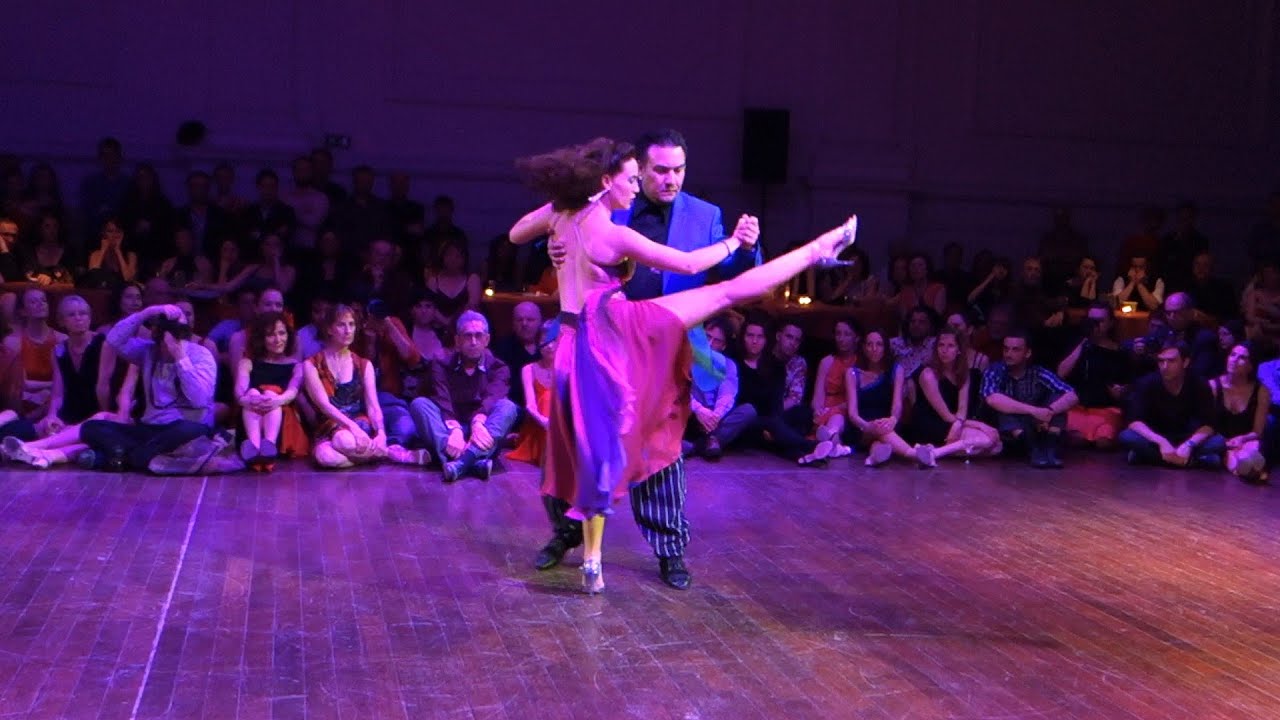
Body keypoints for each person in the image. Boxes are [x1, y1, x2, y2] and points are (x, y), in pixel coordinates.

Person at [509, 136, 853, 593]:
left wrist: (558, 232)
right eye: (643, 175)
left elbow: (517, 232)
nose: (660, 181)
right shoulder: (614, 225)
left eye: (678, 170)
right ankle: (572, 538)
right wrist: (732, 242)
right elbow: (694, 267)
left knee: (652, 446)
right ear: (611, 180)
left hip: (608, 340)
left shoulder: (583, 212)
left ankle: (657, 551)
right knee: (578, 447)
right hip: (622, 331)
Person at [613, 129, 761, 301]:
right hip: (619, 322)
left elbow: (729, 274)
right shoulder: (615, 207)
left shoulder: (704, 215)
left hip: (680, 324)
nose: (671, 181)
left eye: (678, 170)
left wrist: (745, 248)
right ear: (640, 169)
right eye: (661, 171)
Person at [78, 304, 216, 472]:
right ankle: (139, 457)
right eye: (162, 342)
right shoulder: (148, 351)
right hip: (150, 429)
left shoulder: (201, 355)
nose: (166, 347)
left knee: (187, 431)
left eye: (172, 340)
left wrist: (180, 358)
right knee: (91, 427)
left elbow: (199, 399)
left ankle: (120, 456)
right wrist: (144, 314)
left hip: (185, 427)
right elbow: (114, 340)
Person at [302, 303, 420, 468]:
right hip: (328, 425)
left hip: (358, 423)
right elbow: (324, 405)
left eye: (351, 324)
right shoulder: (312, 364)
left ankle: (374, 448)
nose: (348, 330)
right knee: (326, 457)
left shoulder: (363, 364)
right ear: (329, 329)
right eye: (341, 325)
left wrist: (381, 433)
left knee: (344, 441)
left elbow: (373, 405)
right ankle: (386, 453)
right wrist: (350, 427)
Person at [409, 311, 517, 481]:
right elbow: (442, 398)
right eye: (468, 336)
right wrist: (456, 430)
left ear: (486, 340)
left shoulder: (499, 368)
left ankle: (460, 463)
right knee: (420, 404)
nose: (473, 342)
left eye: (478, 336)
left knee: (508, 407)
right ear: (457, 341)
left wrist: (478, 422)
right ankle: (475, 462)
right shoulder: (441, 362)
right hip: (449, 431)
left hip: (481, 430)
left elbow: (492, 398)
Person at [1119, 340, 1224, 469]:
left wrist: (1189, 445)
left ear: (1185, 362)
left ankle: (1147, 457)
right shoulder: (1147, 382)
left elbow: (1209, 424)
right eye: (1161, 361)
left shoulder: (1199, 384)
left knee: (1218, 442)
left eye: (1171, 361)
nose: (1164, 366)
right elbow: (1134, 421)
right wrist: (1161, 442)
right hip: (1156, 439)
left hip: (1187, 438)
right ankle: (1192, 462)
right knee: (1127, 437)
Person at [981, 330, 1078, 469]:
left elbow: (1072, 395)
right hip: (1011, 436)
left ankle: (1051, 449)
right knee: (1003, 406)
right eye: (1006, 349)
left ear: (1027, 353)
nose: (1008, 354)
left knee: (1058, 398)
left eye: (1015, 350)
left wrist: (1049, 410)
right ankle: (1033, 449)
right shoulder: (995, 370)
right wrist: (1033, 410)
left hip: (1037, 426)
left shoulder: (1038, 372)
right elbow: (992, 399)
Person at [910, 330, 1001, 465]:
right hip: (931, 422)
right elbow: (945, 415)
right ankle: (937, 451)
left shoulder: (963, 373)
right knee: (988, 441)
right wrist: (981, 425)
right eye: (941, 345)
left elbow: (962, 409)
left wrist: (958, 424)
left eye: (950, 346)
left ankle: (936, 451)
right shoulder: (928, 374)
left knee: (997, 447)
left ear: (959, 350)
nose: (944, 350)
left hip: (954, 422)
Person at [234, 312, 309, 467]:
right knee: (253, 392)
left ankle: (269, 445)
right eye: (270, 335)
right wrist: (248, 400)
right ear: (261, 338)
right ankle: (254, 447)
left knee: (270, 392)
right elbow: (239, 391)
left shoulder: (296, 366)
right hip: (250, 415)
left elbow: (292, 392)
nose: (277, 340)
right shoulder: (247, 362)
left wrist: (274, 400)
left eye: (282, 333)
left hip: (281, 417)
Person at [846, 330, 915, 466]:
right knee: (880, 431)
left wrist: (892, 420)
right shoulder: (852, 373)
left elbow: (897, 405)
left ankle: (874, 457)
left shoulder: (896, 370)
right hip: (861, 426)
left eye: (879, 344)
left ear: (885, 348)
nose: (874, 349)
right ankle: (914, 454)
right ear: (864, 347)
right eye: (870, 344)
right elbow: (852, 413)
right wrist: (867, 426)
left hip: (888, 423)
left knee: (881, 437)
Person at [1209, 343, 1270, 482]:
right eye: (1232, 355)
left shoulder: (1261, 391)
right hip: (1219, 440)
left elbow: (1257, 431)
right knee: (1227, 452)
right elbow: (1206, 424)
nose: (1234, 359)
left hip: (1245, 440)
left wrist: (1242, 439)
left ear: (1251, 366)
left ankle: (1250, 467)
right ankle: (1249, 470)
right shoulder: (1213, 386)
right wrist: (1227, 442)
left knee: (1250, 450)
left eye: (1242, 357)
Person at [507, 320, 557, 466]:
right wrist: (544, 422)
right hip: (538, 424)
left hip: (560, 424)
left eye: (554, 341)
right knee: (547, 398)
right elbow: (530, 405)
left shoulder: (568, 370)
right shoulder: (528, 369)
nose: (549, 346)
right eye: (544, 341)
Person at [811, 319, 859, 453]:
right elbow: (818, 396)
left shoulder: (861, 362)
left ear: (856, 338)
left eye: (847, 334)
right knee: (833, 418)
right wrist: (817, 410)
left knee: (837, 416)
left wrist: (835, 409)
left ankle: (828, 437)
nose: (841, 339)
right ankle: (834, 444)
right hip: (827, 409)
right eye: (838, 334)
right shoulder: (826, 362)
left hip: (850, 409)